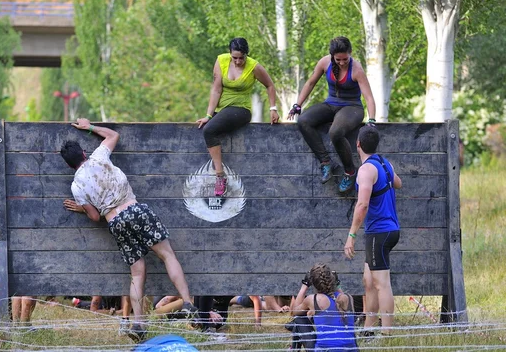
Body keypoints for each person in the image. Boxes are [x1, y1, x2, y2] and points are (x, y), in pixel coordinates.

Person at [60, 118, 198, 342]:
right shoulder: (98, 157)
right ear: (84, 153)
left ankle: (139, 323)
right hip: (134, 209)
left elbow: (95, 216)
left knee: (136, 273)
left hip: (115, 223)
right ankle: (188, 303)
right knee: (167, 255)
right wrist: (90, 127)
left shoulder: (76, 186)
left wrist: (81, 209)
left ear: (69, 165)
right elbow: (113, 136)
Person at [287, 36, 376, 194]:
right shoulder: (325, 62)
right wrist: (297, 105)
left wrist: (372, 120)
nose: (341, 63)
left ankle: (349, 171)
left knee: (335, 132)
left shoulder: (356, 69)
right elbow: (310, 83)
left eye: (345, 59)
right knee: (303, 121)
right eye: (338, 59)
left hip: (352, 107)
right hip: (330, 104)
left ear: (350, 53)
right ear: (332, 56)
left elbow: (368, 96)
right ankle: (325, 162)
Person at [197, 37, 280, 197]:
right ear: (230, 54)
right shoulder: (221, 61)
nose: (238, 61)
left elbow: (270, 85)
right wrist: (208, 115)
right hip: (222, 109)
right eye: (234, 57)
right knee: (204, 126)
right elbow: (216, 90)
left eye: (241, 58)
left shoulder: (253, 66)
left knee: (209, 131)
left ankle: (220, 177)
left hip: (240, 109)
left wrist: (273, 108)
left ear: (246, 55)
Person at [344, 126, 402, 336]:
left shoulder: (366, 170)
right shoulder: (385, 164)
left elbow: (362, 205)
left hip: (379, 232)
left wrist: (351, 235)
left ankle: (387, 334)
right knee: (369, 281)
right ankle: (368, 329)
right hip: (389, 230)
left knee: (381, 283)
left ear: (357, 144)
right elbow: (398, 183)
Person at [290, 263, 358, 351]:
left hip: (325, 350)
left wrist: (304, 285)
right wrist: (337, 285)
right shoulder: (348, 297)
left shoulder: (313, 299)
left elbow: (294, 312)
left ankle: (293, 349)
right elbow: (341, 300)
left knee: (299, 319)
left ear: (313, 283)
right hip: (351, 349)